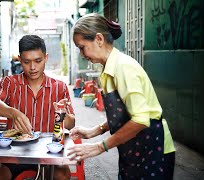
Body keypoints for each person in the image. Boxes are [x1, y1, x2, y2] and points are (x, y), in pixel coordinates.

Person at [67, 13, 176, 179]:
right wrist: (94, 131)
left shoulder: (123, 67)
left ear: (99, 39)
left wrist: (99, 147)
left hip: (153, 147)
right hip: (132, 148)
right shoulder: (108, 68)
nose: (82, 54)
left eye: (82, 47)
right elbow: (124, 114)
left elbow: (140, 119)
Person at [0, 35, 75, 180]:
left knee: (62, 175)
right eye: (27, 62)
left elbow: (71, 124)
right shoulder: (10, 82)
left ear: (46, 57)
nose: (32, 67)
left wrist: (61, 114)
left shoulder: (59, 87)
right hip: (13, 152)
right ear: (20, 60)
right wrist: (13, 113)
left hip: (48, 154)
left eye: (38, 61)